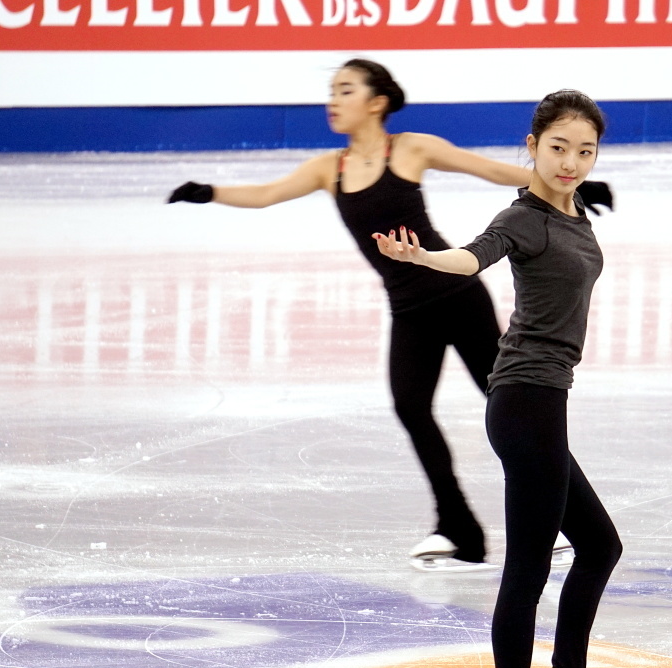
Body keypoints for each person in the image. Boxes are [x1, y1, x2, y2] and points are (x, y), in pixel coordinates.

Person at [168, 60, 610, 570]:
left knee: (518, 408)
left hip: (456, 293)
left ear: (376, 102)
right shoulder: (329, 169)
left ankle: (556, 513)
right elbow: (267, 195)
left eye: (346, 90)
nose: (334, 100)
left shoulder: (409, 148)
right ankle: (458, 526)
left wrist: (568, 189)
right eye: (333, 90)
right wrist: (209, 192)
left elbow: (488, 169)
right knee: (411, 407)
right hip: (409, 309)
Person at [372, 90, 623, 668]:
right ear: (532, 145)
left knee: (600, 546)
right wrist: (425, 258)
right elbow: (473, 256)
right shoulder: (522, 218)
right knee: (529, 568)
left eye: (585, 151)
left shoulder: (572, 210)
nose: (571, 162)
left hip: (545, 401)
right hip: (523, 403)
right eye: (558, 148)